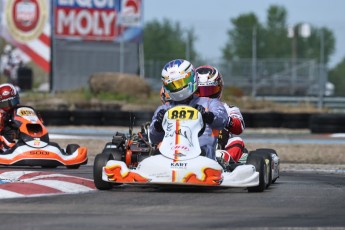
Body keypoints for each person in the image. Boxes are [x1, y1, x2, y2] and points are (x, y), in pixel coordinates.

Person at [149, 59, 228, 160]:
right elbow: (153, 138)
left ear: (191, 78)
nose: (177, 88)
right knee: (155, 154)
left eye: (180, 83)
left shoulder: (209, 103)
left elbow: (222, 120)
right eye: (173, 85)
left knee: (203, 152)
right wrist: (158, 125)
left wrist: (207, 116)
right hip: (170, 157)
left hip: (202, 157)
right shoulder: (164, 109)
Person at [195, 65, 245, 164]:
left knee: (237, 141)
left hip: (220, 148)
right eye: (201, 91)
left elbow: (239, 127)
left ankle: (224, 161)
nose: (205, 97)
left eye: (209, 91)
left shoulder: (228, 109)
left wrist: (221, 119)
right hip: (192, 146)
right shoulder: (187, 108)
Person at [0, 83, 24, 152]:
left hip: (22, 140)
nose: (10, 107)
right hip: (5, 146)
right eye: (5, 104)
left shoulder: (21, 111)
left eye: (13, 102)